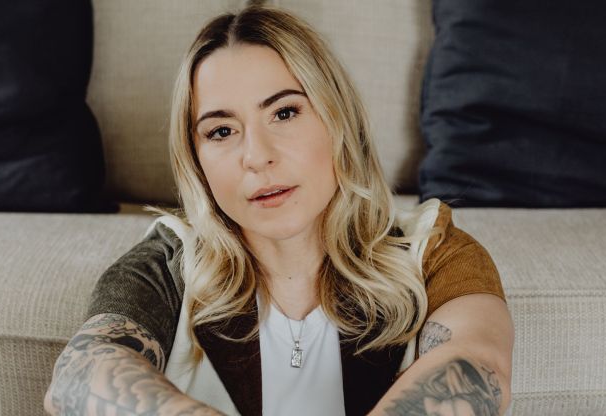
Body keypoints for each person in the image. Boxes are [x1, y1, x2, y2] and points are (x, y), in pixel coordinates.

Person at [44, 4, 514, 416]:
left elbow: (478, 365)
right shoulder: (168, 263)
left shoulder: (434, 250)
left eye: (284, 112)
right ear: (196, 159)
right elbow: (81, 376)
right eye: (221, 131)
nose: (257, 156)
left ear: (338, 119)